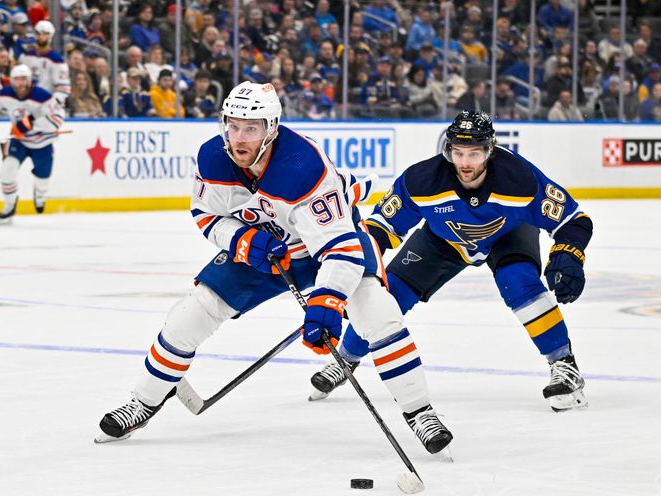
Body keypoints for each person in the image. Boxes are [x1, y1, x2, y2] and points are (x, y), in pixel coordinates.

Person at [95, 82, 454, 456]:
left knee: (378, 315)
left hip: (325, 249)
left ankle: (419, 411)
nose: (239, 138)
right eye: (233, 126)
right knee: (190, 314)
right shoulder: (212, 158)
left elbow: (341, 249)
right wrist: (243, 241)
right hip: (267, 253)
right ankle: (146, 399)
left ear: (272, 128)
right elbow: (205, 215)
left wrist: (326, 304)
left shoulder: (303, 166)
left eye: (250, 128)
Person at [308, 111, 594, 413]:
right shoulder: (421, 180)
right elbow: (380, 228)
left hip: (507, 235)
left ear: (490, 150)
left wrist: (568, 253)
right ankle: (346, 358)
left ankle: (564, 364)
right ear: (448, 150)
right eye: (458, 153)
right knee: (388, 296)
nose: (465, 163)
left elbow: (574, 220)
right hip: (443, 240)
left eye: (474, 153)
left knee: (519, 281)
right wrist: (356, 263)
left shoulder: (520, 179)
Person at [0, 64, 64, 222]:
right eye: (16, 80)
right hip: (20, 141)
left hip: (43, 143)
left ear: (30, 80)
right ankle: (9, 205)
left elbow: (57, 119)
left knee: (43, 178)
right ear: (11, 81)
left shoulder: (42, 96)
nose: (20, 83)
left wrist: (28, 124)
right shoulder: (5, 94)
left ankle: (40, 196)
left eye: (24, 79)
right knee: (6, 172)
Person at [19, 20, 70, 105]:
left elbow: (63, 88)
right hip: (27, 104)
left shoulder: (57, 60)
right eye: (38, 33)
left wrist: (53, 103)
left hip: (46, 105)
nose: (41, 36)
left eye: (45, 34)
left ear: (50, 36)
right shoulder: (26, 57)